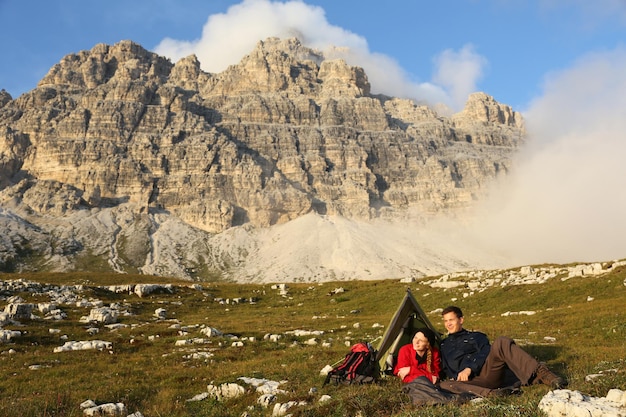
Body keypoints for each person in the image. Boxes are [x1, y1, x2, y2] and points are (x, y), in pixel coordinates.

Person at [438, 306, 566, 398]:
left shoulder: (476, 336)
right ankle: (494, 394)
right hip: (468, 383)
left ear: (461, 320)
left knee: (501, 341)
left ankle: (546, 375)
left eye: (451, 320)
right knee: (444, 385)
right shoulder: (443, 344)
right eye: (445, 321)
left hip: (487, 373)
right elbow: (443, 366)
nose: (448, 324)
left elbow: (486, 351)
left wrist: (469, 368)